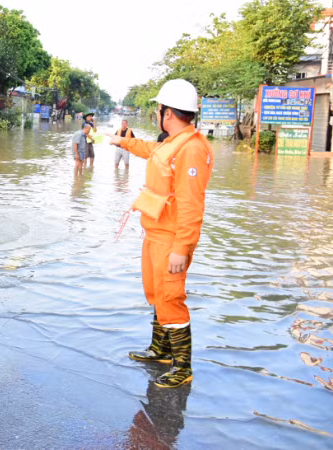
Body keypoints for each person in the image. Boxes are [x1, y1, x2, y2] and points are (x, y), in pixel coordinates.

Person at [107, 79, 213, 388]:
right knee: (155, 293)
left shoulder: (191, 149)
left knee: (171, 298)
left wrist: (182, 247)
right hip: (155, 232)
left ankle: (182, 366)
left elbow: (192, 205)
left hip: (171, 238)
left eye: (159, 109)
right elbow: (150, 150)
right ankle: (160, 349)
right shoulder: (172, 143)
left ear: (166, 112)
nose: (158, 114)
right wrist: (120, 141)